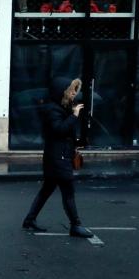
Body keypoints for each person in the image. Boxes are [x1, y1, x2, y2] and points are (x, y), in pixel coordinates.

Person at [22, 77, 92, 238]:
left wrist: (79, 141)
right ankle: (76, 225)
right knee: (68, 191)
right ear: (63, 92)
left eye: (76, 90)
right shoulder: (53, 110)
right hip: (57, 158)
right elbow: (58, 129)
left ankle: (29, 219)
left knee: (47, 190)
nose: (75, 93)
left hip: (60, 156)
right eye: (72, 90)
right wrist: (74, 116)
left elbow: (65, 133)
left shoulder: (63, 108)